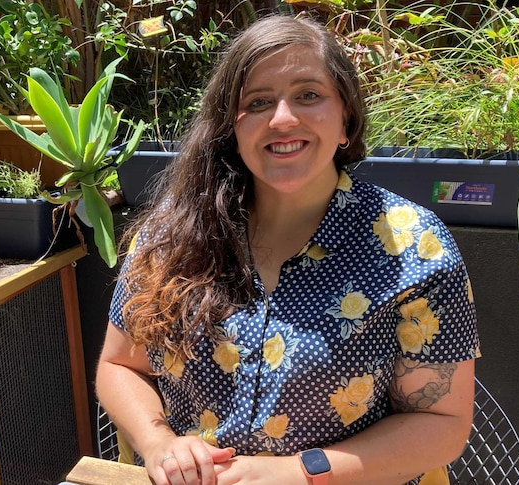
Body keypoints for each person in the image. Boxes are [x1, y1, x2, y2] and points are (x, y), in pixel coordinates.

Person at [96, 14, 480, 485]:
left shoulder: (414, 249)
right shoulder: (170, 236)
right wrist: (158, 443)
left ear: (346, 121)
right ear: (231, 131)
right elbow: (119, 365)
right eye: (257, 102)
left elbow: (442, 426)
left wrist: (298, 472)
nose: (282, 119)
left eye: (308, 95)